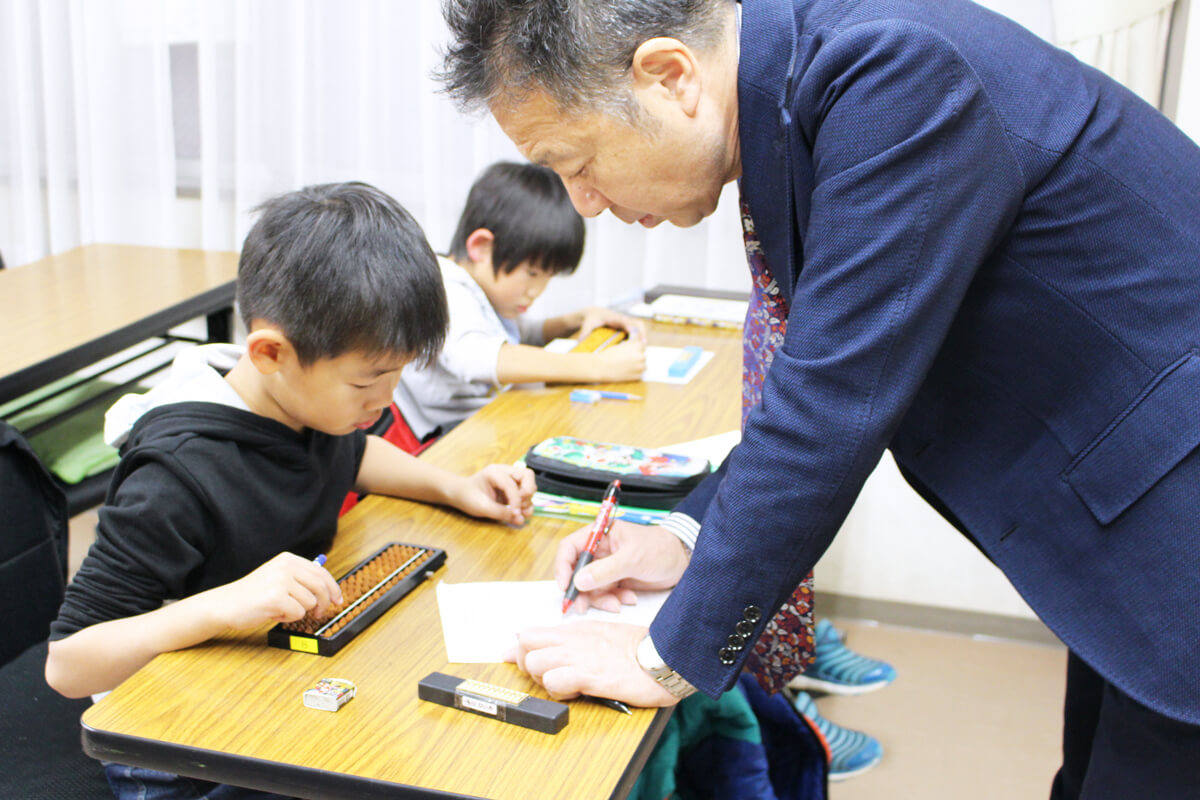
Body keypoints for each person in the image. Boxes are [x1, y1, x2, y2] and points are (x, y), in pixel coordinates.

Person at [438, 0, 1200, 796]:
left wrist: (658, 657)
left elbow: (831, 402)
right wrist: (683, 534)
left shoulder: (893, 75)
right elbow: (818, 380)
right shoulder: (806, 80)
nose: (584, 203)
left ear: (670, 76)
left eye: (577, 162)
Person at [44, 181, 536, 799]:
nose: (385, 402)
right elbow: (67, 663)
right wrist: (223, 604)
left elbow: (352, 456)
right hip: (171, 740)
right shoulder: (176, 474)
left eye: (396, 376)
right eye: (367, 384)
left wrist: (455, 487)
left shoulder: (307, 402)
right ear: (271, 352)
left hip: (267, 673)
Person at [393, 160, 647, 443]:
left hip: (488, 421)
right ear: (481, 247)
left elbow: (519, 334)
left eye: (548, 276)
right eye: (532, 273)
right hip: (449, 439)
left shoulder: (479, 289)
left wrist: (576, 319)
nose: (537, 290)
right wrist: (598, 366)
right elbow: (480, 357)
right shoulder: (445, 287)